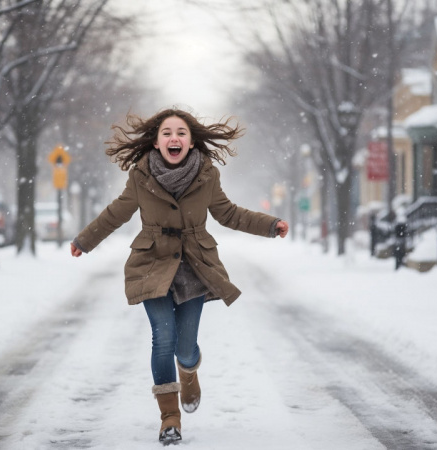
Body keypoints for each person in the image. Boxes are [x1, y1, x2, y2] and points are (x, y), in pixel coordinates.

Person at [70, 107, 289, 445]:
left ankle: (189, 372)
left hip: (194, 266)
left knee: (185, 348)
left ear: (190, 141)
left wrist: (270, 225)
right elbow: (116, 213)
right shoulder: (140, 177)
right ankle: (169, 419)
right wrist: (85, 240)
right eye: (167, 133)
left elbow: (228, 213)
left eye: (181, 133)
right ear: (156, 143)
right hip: (152, 264)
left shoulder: (206, 175)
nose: (175, 137)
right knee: (164, 337)